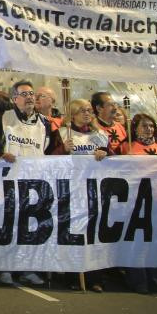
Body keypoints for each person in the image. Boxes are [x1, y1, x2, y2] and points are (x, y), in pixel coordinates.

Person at [0, 80, 52, 287]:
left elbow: (48, 149)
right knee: (9, 223)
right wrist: (1, 153)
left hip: (34, 181)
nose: (30, 97)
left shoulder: (44, 123)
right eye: (24, 94)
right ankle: (6, 267)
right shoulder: (5, 118)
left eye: (32, 93)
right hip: (8, 180)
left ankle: (28, 268)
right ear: (14, 99)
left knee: (30, 226)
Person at [56, 98, 110, 292]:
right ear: (72, 114)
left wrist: (105, 153)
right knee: (73, 233)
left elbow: (112, 159)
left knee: (93, 233)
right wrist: (63, 149)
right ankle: (72, 275)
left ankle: (95, 276)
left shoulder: (100, 136)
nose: (87, 114)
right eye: (82, 111)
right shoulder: (63, 133)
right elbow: (48, 159)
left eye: (89, 110)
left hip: (93, 190)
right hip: (71, 189)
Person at [124, 112, 157, 294]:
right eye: (144, 126)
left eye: (151, 126)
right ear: (135, 129)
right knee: (138, 242)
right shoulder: (128, 147)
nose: (149, 129)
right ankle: (138, 280)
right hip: (137, 202)